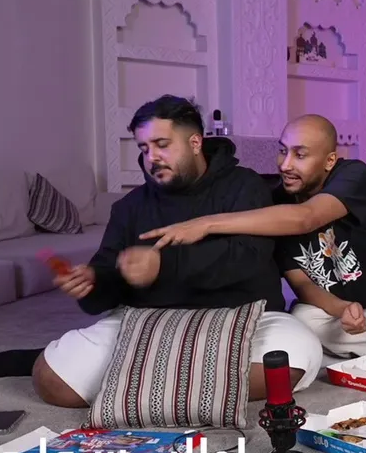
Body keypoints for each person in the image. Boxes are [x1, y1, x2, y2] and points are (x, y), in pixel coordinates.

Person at [30, 96, 323, 408]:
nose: (152, 157)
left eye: (162, 144)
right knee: (53, 376)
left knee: (295, 353)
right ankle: (190, 392)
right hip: (151, 327)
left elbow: (248, 257)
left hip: (238, 320)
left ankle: (142, 390)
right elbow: (108, 279)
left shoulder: (245, 186)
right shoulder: (129, 207)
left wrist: (164, 265)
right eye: (144, 148)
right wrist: (92, 283)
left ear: (195, 142)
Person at [138, 114, 366, 358]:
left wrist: (206, 224)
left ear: (330, 160)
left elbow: (307, 219)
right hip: (332, 310)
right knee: (303, 319)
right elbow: (302, 284)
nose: (285, 164)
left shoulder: (352, 174)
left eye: (300, 155)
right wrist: (340, 308)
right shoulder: (270, 205)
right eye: (282, 151)